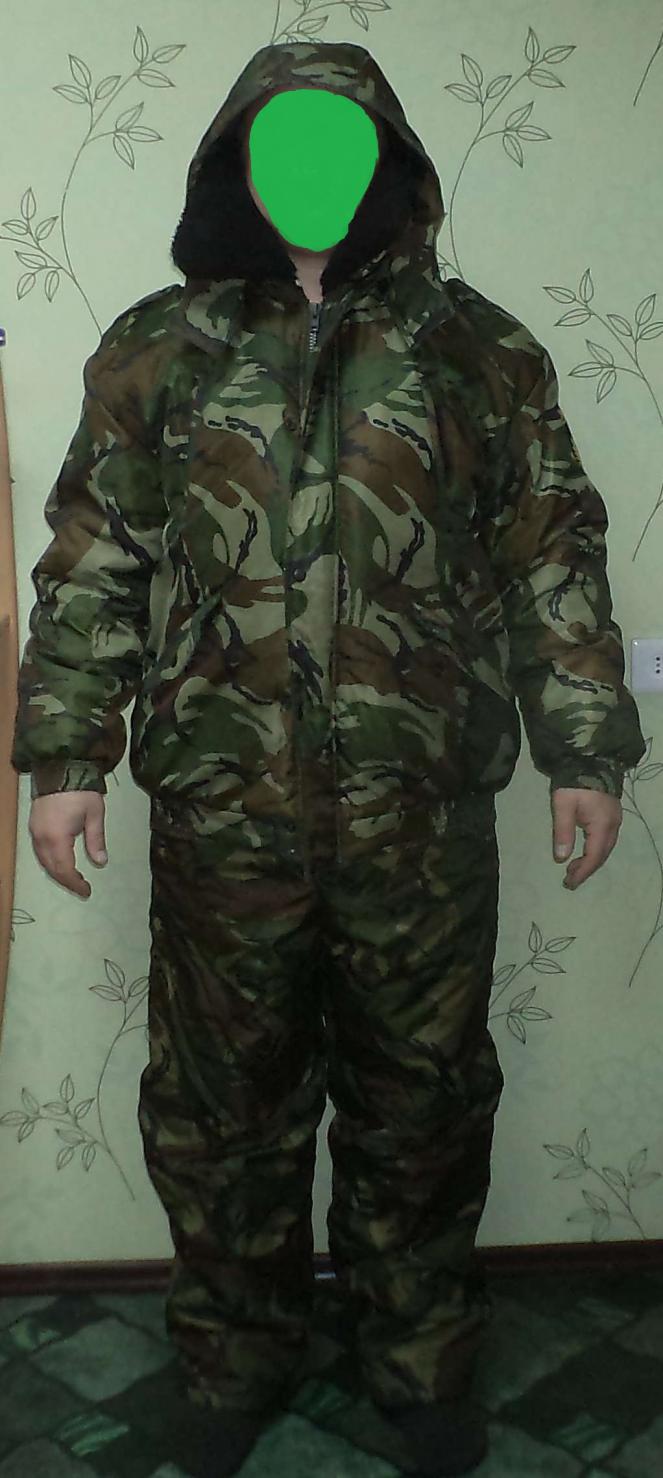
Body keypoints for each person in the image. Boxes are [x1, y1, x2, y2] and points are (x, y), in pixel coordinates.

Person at [11, 38, 647, 1478]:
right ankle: (232, 1356)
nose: (311, 172)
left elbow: (553, 554)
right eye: (282, 144)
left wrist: (586, 753)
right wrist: (64, 758)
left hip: (420, 817)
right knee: (220, 1107)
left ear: (391, 170)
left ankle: (415, 1358)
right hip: (223, 817)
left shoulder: (480, 352)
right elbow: (96, 561)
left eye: (342, 146)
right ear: (236, 165)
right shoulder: (157, 349)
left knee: (424, 1101)